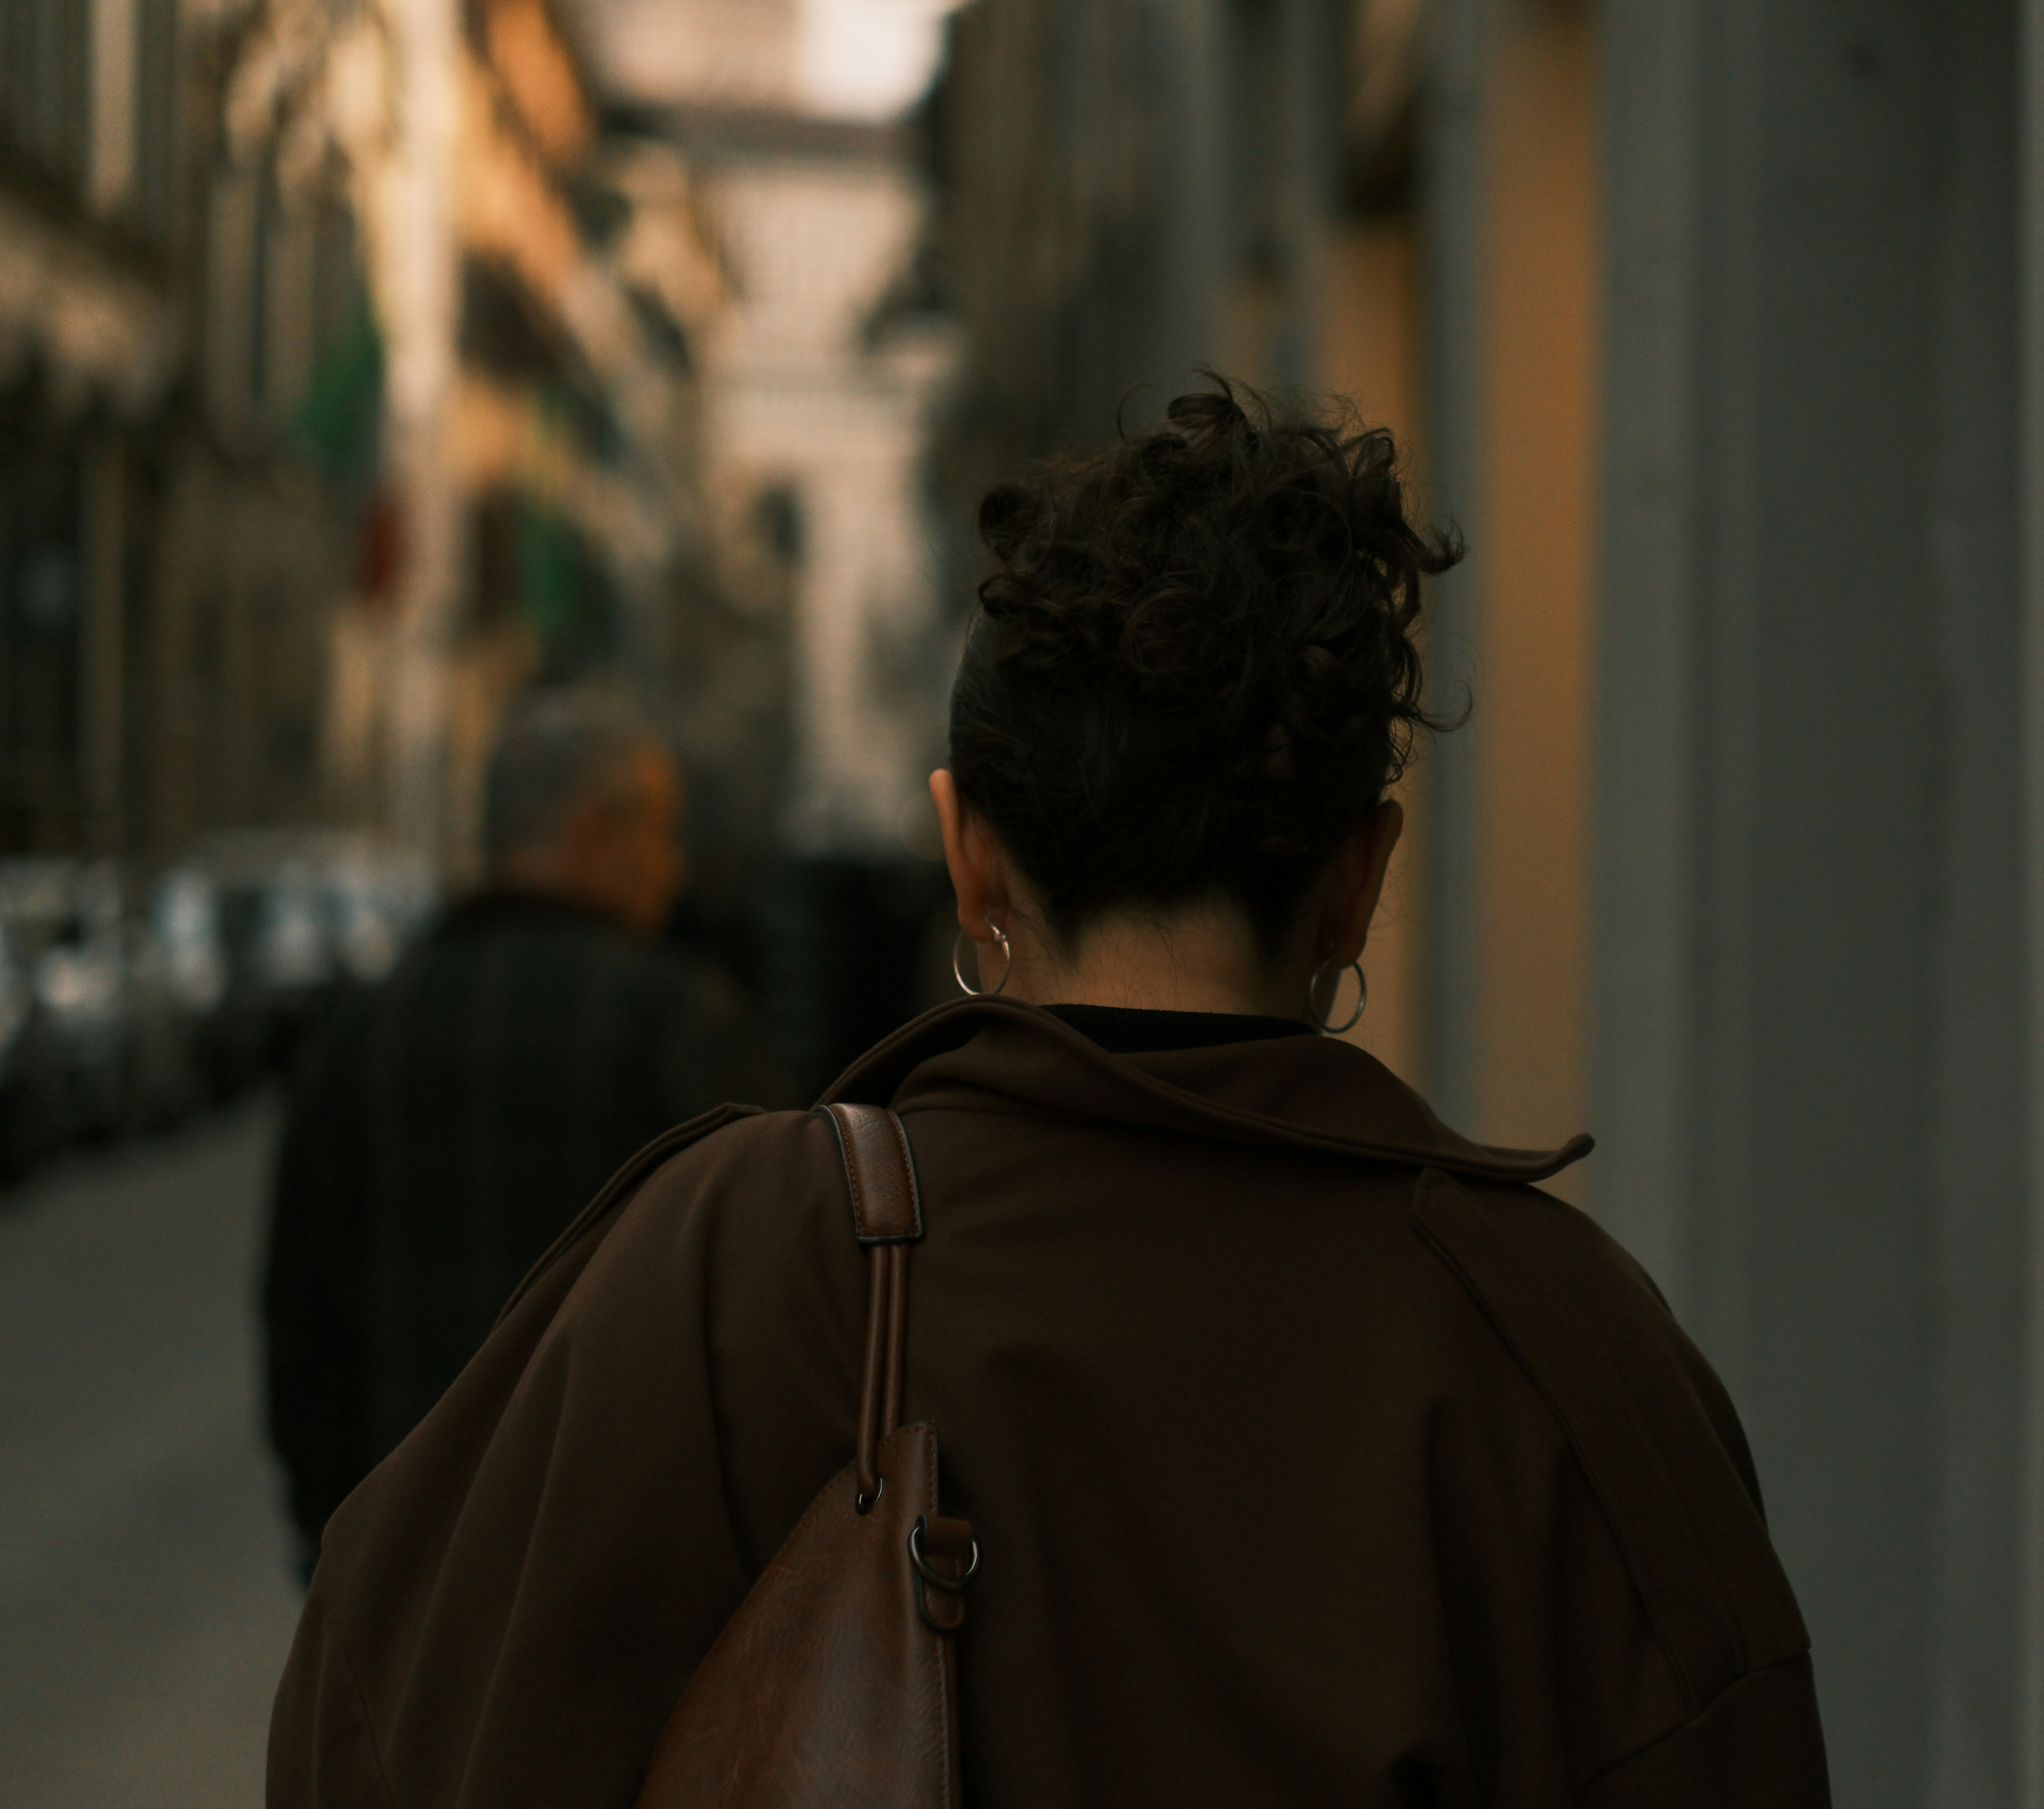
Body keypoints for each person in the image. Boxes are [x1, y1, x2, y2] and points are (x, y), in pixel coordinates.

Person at [267, 386, 1831, 1805]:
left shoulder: (739, 1263)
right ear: (1358, 880)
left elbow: (373, 1724)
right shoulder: (1574, 1352)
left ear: (971, 854)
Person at [262, 691, 789, 1551]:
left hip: (407, 1579)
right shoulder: (675, 1024)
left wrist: (337, 1551)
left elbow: (304, 1335)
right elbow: (773, 1309)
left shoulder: (362, 1036)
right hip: (627, 1589)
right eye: (660, 835)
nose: (673, 870)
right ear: (592, 834)